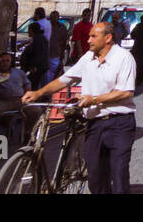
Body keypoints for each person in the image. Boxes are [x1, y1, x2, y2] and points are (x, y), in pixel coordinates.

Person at [23, 21, 136, 194]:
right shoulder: (88, 58)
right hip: (94, 123)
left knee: (119, 173)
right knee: (95, 177)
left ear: (108, 38)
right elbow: (65, 80)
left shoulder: (123, 58)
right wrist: (38, 93)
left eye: (93, 36)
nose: (88, 40)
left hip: (119, 123)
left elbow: (126, 92)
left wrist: (95, 99)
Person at [20, 22, 50, 88]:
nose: (28, 32)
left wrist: (33, 66)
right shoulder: (39, 38)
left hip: (37, 67)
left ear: (32, 30)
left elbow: (38, 54)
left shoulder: (38, 39)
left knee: (33, 84)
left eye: (29, 30)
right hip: (39, 66)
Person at [129, 18, 143, 88]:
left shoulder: (138, 26)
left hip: (137, 48)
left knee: (137, 64)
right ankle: (140, 78)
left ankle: (137, 78)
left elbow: (132, 35)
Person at [48, 10, 69, 79]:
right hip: (47, 53)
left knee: (55, 72)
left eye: (55, 17)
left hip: (56, 53)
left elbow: (65, 41)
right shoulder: (47, 26)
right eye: (52, 17)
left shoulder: (62, 28)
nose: (53, 19)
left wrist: (62, 53)